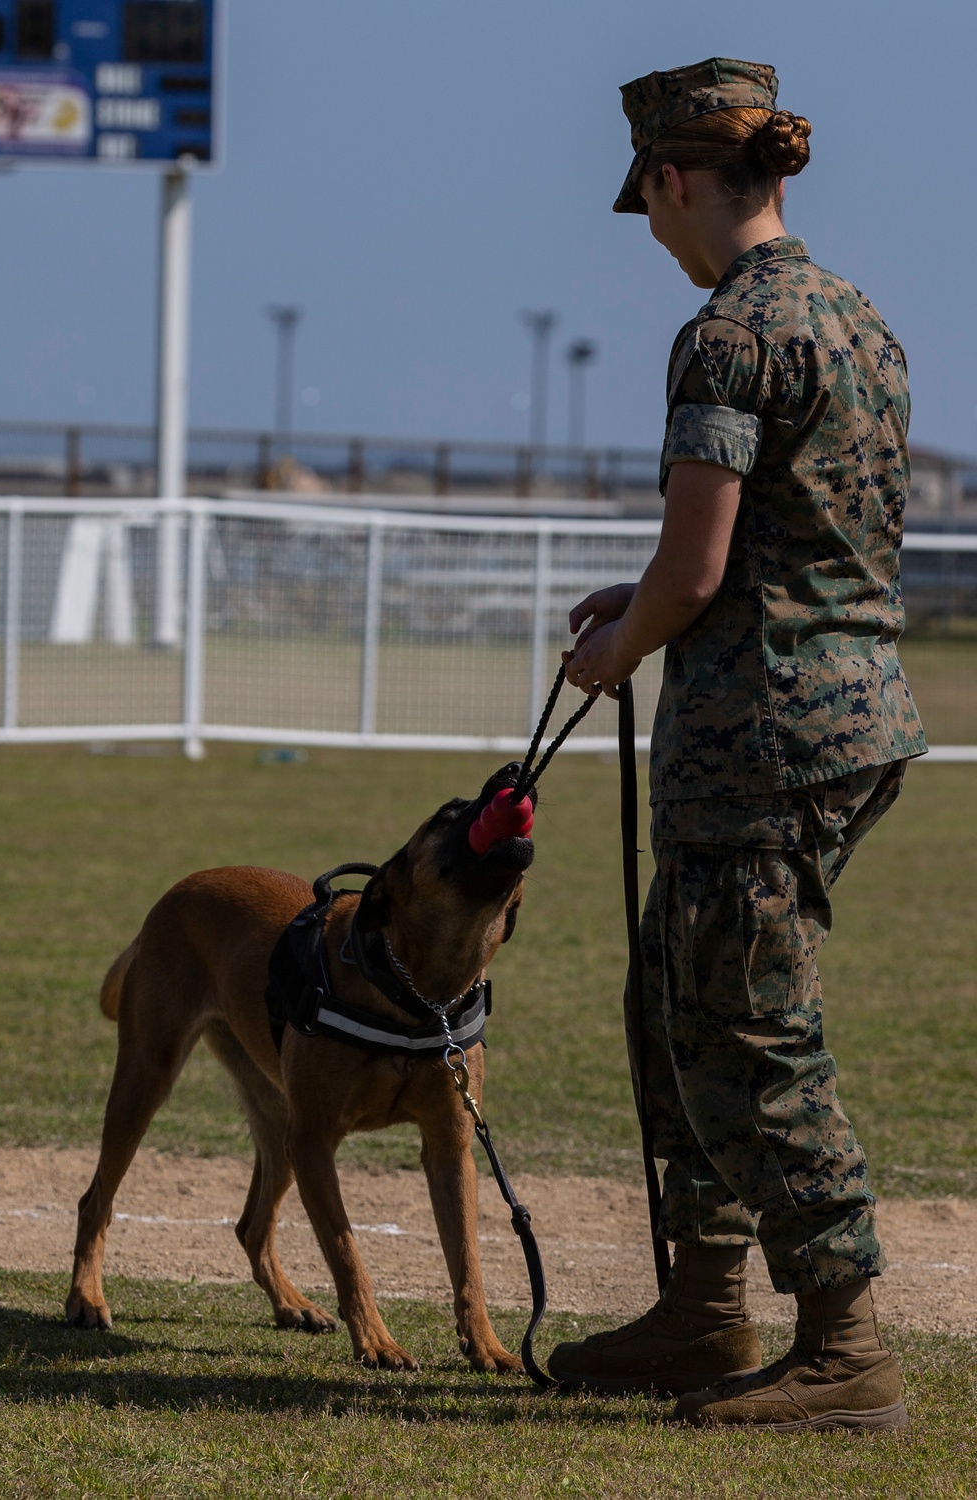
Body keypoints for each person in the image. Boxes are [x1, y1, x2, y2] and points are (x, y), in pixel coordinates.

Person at [548, 57, 926, 1431]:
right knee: (677, 1000)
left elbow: (699, 571)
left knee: (750, 1024)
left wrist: (622, 643)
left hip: (757, 730)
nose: (652, 232)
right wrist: (639, 595)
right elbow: (793, 542)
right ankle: (704, 1307)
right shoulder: (859, 323)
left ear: (674, 180)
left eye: (649, 205)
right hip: (849, 710)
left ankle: (845, 1349)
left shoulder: (728, 335)